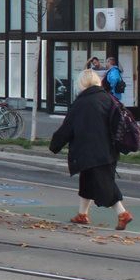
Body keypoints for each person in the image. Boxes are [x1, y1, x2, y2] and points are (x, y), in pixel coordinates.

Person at [49, 68, 132, 230]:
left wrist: (55, 145)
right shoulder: (108, 98)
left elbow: (67, 128)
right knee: (87, 181)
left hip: (90, 150)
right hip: (109, 149)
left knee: (104, 184)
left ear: (80, 83)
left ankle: (122, 213)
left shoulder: (81, 103)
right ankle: (82, 214)